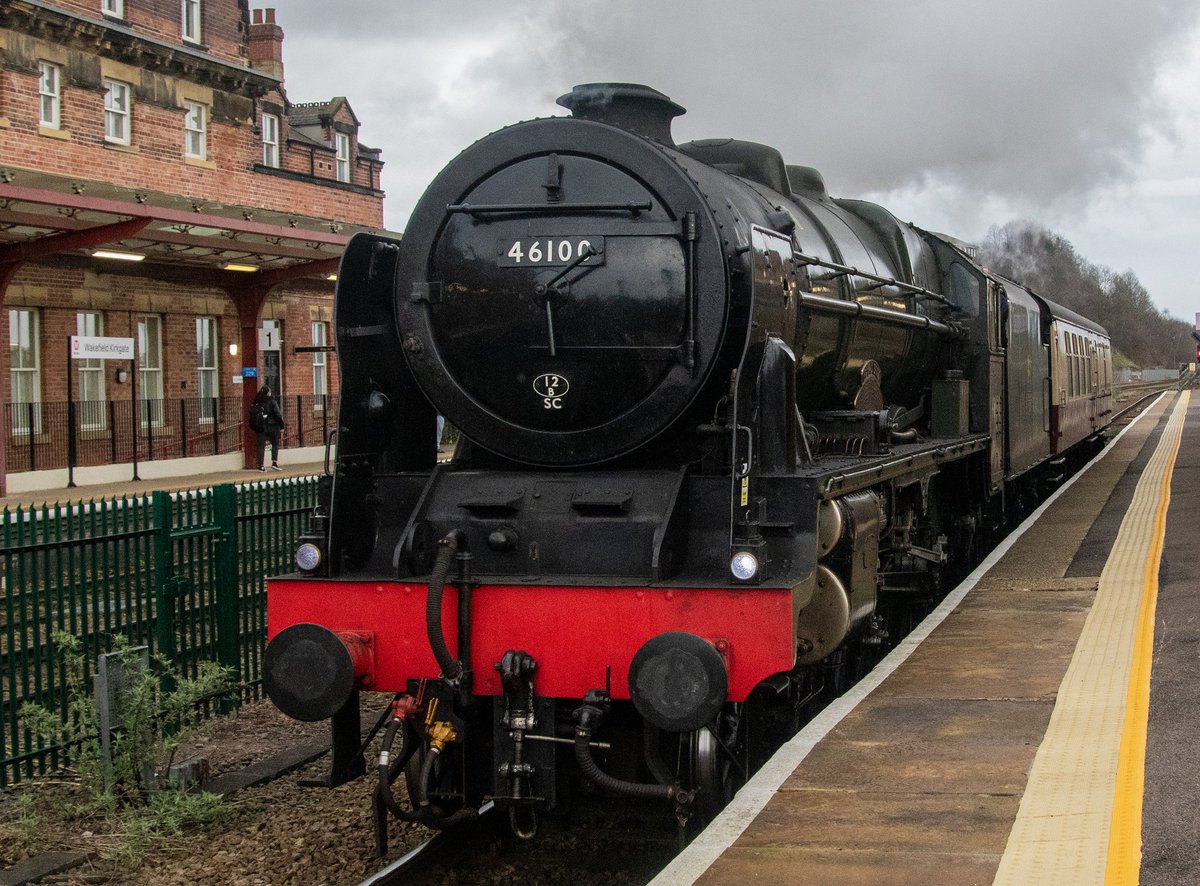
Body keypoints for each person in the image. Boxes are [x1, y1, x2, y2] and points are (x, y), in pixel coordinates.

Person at [250, 384, 285, 471]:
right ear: (268, 392)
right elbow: (277, 414)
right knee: (275, 443)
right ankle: (274, 462)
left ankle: (261, 465)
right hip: (272, 425)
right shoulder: (272, 401)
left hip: (260, 426)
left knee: (261, 446)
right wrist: (281, 425)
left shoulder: (256, 401)